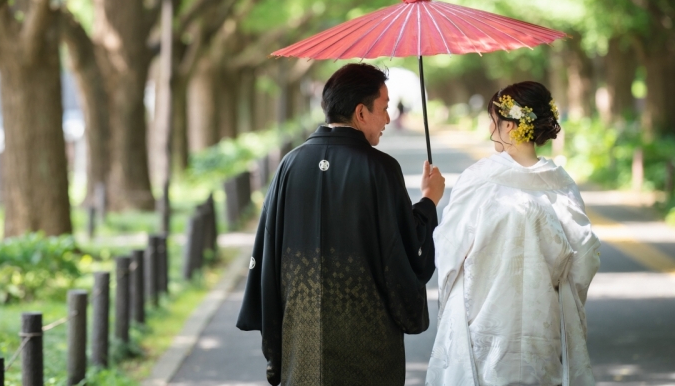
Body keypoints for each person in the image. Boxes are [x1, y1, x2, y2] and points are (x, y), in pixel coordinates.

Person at [236, 63, 446, 386]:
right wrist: (429, 200)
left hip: (301, 343)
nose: (388, 119)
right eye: (384, 108)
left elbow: (269, 254)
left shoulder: (289, 164)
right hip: (368, 344)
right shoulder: (381, 169)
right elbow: (405, 249)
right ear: (361, 112)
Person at [426, 81, 601, 386]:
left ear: (508, 126)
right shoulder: (560, 184)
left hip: (484, 324)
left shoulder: (480, 179)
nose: (490, 128)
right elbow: (585, 254)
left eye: (492, 121)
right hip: (542, 328)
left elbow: (449, 251)